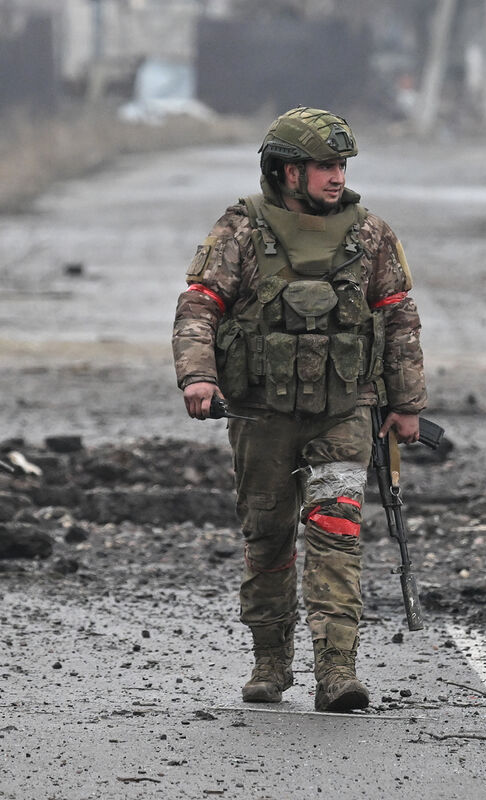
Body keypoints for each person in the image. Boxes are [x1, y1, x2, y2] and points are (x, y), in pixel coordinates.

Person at [171, 107, 426, 712]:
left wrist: (407, 403)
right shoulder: (240, 230)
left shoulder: (371, 235)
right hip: (260, 414)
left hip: (344, 411)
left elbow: (398, 320)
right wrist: (198, 376)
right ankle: (270, 660)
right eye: (325, 166)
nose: (338, 177)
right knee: (267, 537)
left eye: (342, 166)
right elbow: (199, 306)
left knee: (337, 531)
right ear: (288, 172)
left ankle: (337, 671)